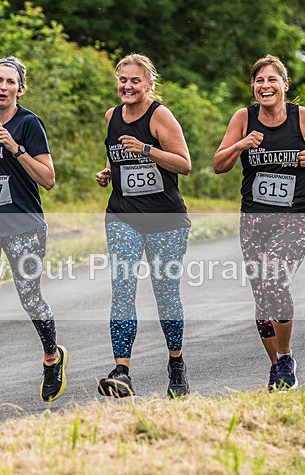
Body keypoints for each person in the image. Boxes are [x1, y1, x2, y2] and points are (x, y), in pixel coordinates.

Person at [213, 54, 305, 392]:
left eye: (272, 80)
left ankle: (285, 357)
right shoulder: (243, 118)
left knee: (274, 277)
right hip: (254, 221)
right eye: (259, 81)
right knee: (262, 300)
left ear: (285, 85)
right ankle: (278, 367)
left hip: (297, 218)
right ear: (253, 87)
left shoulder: (304, 117)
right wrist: (242, 143)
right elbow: (219, 165)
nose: (265, 86)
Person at [0, 57, 66, 414]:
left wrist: (15, 148)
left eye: (11, 82)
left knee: (30, 298)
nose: (3, 87)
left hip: (24, 227)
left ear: (21, 89)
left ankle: (52, 357)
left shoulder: (29, 124)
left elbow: (48, 179)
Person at [93, 53, 192, 398]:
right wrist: (109, 171)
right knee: (122, 288)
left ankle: (176, 363)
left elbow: (184, 164)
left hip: (166, 221)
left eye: (135, 81)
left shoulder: (159, 116)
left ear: (149, 84)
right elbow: (117, 153)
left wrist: (147, 149)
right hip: (122, 216)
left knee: (166, 295)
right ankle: (122, 371)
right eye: (123, 80)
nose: (128, 86)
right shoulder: (112, 116)